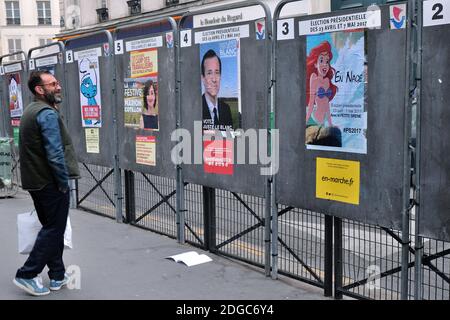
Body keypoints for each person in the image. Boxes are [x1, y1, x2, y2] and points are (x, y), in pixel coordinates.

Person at [13, 70, 80, 296]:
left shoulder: (31, 110)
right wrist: (62, 182)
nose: (58, 86)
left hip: (35, 181)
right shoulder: (47, 114)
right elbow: (55, 153)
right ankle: (27, 274)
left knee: (52, 228)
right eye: (52, 84)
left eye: (57, 82)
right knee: (53, 229)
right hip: (49, 182)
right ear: (40, 90)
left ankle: (57, 275)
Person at [305, 41, 341, 147]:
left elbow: (326, 104)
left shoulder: (326, 81)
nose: (325, 64)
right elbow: (311, 103)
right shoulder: (314, 78)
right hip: (314, 118)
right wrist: (305, 121)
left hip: (324, 118)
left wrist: (330, 123)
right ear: (315, 64)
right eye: (321, 60)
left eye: (327, 61)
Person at [201, 49, 234, 131]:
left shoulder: (226, 109)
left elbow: (230, 141)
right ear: (203, 78)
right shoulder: (197, 108)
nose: (214, 79)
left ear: (220, 76)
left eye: (217, 72)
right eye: (209, 73)